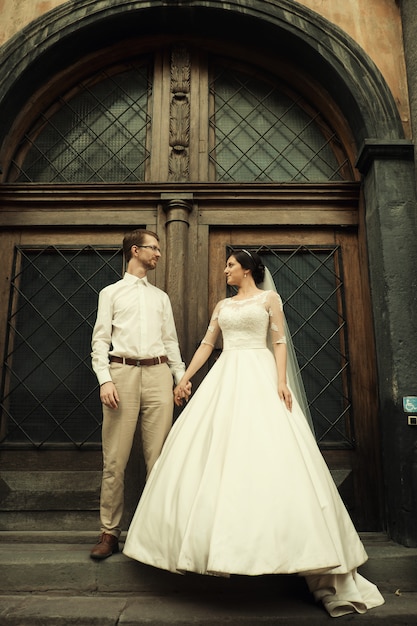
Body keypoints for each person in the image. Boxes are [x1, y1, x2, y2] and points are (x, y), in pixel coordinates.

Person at [123, 249, 384, 617]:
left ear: (247, 269)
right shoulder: (222, 306)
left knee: (270, 451)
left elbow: (278, 342)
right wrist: (184, 378)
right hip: (226, 375)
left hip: (259, 374)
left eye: (230, 265)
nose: (226, 270)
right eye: (226, 265)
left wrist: (280, 382)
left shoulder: (269, 299)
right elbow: (207, 345)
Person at [90, 228, 189, 560]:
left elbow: (171, 342)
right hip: (122, 374)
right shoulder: (111, 293)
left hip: (159, 375)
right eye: (153, 248)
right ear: (135, 251)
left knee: (159, 459)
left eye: (158, 249)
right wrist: (105, 379)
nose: (158, 253)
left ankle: (154, 533)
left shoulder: (160, 297)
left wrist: (180, 377)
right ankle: (109, 532)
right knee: (115, 460)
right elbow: (100, 341)